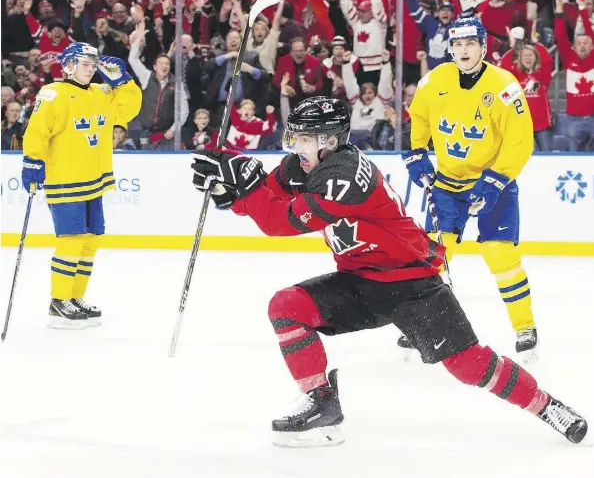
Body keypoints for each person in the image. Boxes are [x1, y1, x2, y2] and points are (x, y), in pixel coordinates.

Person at [190, 96, 587, 448]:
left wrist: (249, 186)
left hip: (412, 284)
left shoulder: (343, 177)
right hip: (360, 282)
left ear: (328, 141)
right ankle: (322, 405)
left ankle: (546, 405)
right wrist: (232, 192)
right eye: (294, 138)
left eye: (303, 140)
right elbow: (271, 193)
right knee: (287, 306)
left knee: (469, 365)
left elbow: (280, 221)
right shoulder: (304, 164)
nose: (295, 147)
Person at [401, 17, 539, 360]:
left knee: (499, 253)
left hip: (494, 183)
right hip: (447, 185)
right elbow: (418, 117)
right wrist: (417, 152)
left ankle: (524, 325)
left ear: (483, 47)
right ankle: (423, 326)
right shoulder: (434, 80)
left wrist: (495, 180)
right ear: (451, 47)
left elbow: (520, 141)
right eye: (458, 44)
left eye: (470, 44)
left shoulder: (505, 86)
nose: (463, 50)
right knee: (434, 255)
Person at [22, 43, 141, 328]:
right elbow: (37, 131)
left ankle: (74, 298)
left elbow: (130, 109)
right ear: (68, 66)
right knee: (71, 239)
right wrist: (32, 161)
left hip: (94, 180)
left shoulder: (102, 93)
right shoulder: (53, 94)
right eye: (84, 63)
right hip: (65, 180)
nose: (90, 69)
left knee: (90, 241)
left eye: (93, 64)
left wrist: (124, 82)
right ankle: (58, 301)